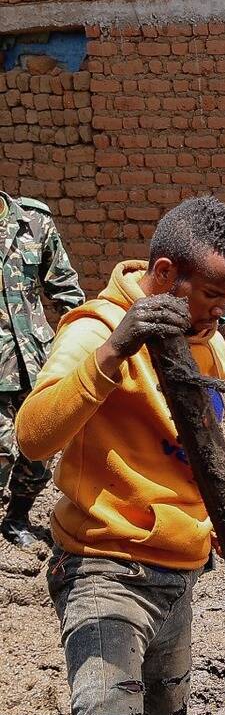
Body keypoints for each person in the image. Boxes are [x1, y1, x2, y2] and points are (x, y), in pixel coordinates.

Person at [15, 196, 225, 715]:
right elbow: (34, 435)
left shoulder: (209, 340)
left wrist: (223, 530)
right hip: (105, 570)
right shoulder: (95, 330)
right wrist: (114, 352)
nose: (222, 312)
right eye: (212, 295)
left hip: (179, 573)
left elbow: (203, 450)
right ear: (167, 274)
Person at [0, 192, 83, 546]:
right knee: (3, 449)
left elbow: (65, 290)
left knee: (42, 450)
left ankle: (17, 517)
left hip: (37, 362)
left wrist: (83, 338)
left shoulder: (34, 222)